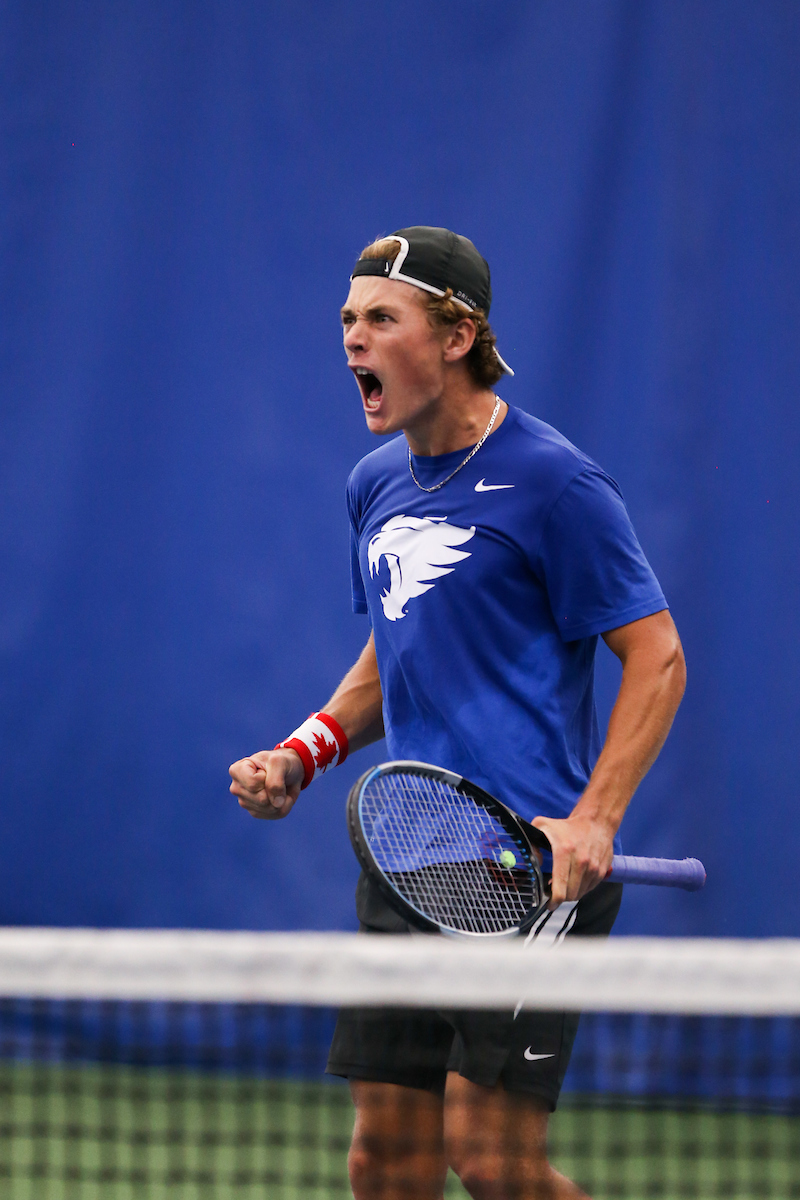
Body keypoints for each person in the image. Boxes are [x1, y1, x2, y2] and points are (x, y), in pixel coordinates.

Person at [229, 226, 686, 1199]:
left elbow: (656, 657)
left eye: (379, 319)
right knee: (386, 1158)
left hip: (528, 870)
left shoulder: (553, 483)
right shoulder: (375, 484)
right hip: (410, 865)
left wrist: (595, 817)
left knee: (491, 1164)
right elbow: (397, 649)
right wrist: (302, 754)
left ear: (454, 333)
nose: (352, 339)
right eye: (346, 320)